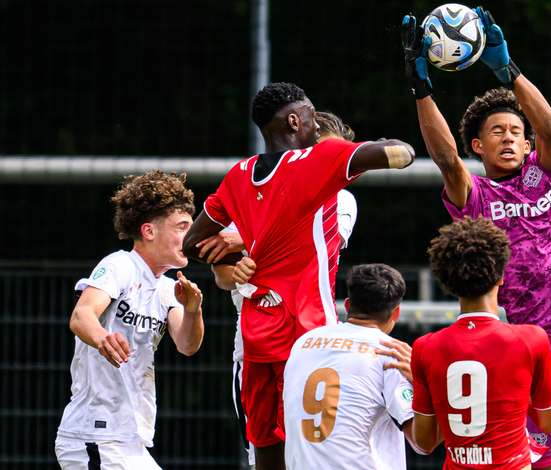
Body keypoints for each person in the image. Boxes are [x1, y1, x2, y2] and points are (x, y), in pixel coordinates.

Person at [402, 9, 551, 469]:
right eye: (496, 131)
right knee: (535, 464)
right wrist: (422, 88)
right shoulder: (475, 195)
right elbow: (445, 160)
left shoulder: (550, 177)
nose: (508, 137)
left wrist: (510, 72)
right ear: (477, 146)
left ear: (528, 146)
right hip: (530, 348)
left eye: (515, 132)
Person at [182, 82, 416, 469]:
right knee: (316, 449)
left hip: (256, 333)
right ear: (295, 119)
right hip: (308, 335)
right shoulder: (318, 160)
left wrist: (225, 264)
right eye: (311, 113)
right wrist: (390, 143)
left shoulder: (238, 175)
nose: (316, 121)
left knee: (264, 451)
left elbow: (191, 242)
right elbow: (399, 154)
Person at [198, 110, 360, 469]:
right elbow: (222, 274)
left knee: (307, 447)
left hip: (307, 334)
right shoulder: (253, 186)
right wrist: (233, 271)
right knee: (260, 450)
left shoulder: (340, 200)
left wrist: (243, 235)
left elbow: (302, 234)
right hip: (253, 338)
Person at [54, 171, 204, 469]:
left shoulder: (166, 288)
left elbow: (187, 345)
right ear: (149, 231)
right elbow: (82, 315)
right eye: (182, 227)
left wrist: (193, 309)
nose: (191, 236)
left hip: (129, 440)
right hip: (95, 435)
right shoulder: (120, 265)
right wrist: (102, 338)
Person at [411, 216, 551, 469]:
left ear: (448, 282)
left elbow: (425, 442)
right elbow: (548, 422)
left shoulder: (425, 347)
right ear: (501, 277)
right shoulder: (531, 339)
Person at [283, 263, 423, 469]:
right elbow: (423, 442)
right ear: (396, 313)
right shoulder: (391, 354)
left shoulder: (303, 344)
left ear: (347, 305)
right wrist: (423, 382)